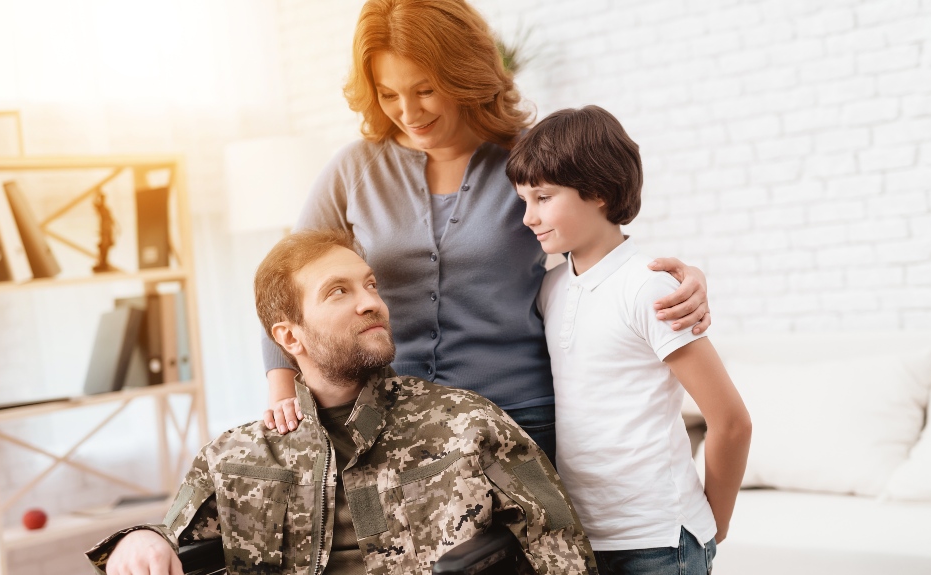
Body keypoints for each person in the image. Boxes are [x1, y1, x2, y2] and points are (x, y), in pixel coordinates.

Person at [260, 0, 713, 463]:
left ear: (464, 75)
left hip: (519, 420)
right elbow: (284, 286)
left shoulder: (526, 159)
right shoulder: (355, 169)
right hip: (398, 426)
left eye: (426, 90)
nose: (409, 112)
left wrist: (680, 278)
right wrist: (283, 389)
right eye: (388, 93)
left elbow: (602, 238)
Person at [86, 229, 597, 575]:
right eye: (338, 292)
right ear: (290, 337)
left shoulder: (467, 424)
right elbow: (170, 534)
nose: (371, 301)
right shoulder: (236, 459)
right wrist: (137, 540)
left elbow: (563, 550)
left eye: (370, 285)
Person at [506, 106, 752, 575]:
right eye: (523, 200)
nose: (527, 217)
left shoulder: (650, 287)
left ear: (597, 191)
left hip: (659, 540)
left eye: (542, 197)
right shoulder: (552, 289)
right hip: (587, 536)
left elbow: (732, 422)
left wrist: (714, 526)